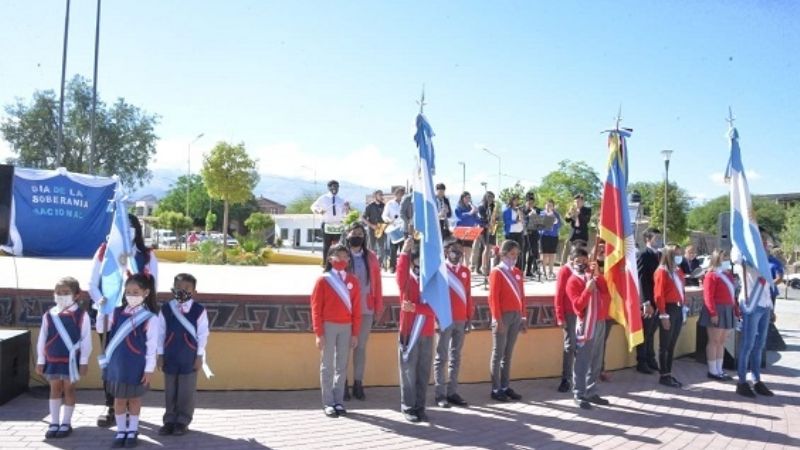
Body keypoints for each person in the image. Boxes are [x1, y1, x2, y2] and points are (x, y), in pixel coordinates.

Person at [88, 214, 158, 428]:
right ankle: (111, 406)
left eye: (130, 227)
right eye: (121, 227)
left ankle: (132, 406)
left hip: (138, 318)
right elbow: (92, 283)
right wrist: (103, 304)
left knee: (134, 361)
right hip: (111, 316)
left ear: (137, 229)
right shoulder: (103, 252)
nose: (126, 231)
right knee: (111, 363)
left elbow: (152, 286)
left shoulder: (146, 256)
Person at [99, 273, 158, 448]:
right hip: (117, 365)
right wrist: (102, 310)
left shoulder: (150, 318)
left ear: (146, 293)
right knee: (118, 399)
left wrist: (149, 369)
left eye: (135, 292)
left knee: (134, 399)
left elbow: (151, 346)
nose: (131, 296)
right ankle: (121, 430)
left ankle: (132, 430)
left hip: (136, 366)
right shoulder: (116, 312)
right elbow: (102, 328)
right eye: (128, 292)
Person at [36, 277, 91, 439]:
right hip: (52, 358)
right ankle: (54, 422)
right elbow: (42, 338)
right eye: (58, 292)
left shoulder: (81, 315)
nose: (61, 295)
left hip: (72, 360)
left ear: (76, 295)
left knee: (69, 389)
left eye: (66, 293)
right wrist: (40, 360)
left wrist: (84, 362)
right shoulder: (49, 315)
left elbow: (86, 339)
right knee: (55, 389)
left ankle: (66, 422)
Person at [310, 244, 361, 417]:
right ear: (330, 259)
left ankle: (338, 401)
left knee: (341, 365)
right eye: (338, 257)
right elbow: (316, 309)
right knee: (327, 365)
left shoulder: (353, 280)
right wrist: (319, 333)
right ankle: (328, 402)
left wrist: (355, 333)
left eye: (346, 257)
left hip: (346, 327)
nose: (342, 260)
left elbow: (356, 309)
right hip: (328, 326)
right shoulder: (323, 280)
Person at [156, 273, 210, 436]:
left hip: (189, 356)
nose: (181, 291)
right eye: (178, 287)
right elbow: (160, 332)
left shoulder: (199, 310)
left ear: (194, 291)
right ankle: (169, 420)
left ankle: (182, 421)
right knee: (170, 390)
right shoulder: (166, 309)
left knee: (186, 390)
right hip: (170, 354)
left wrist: (199, 356)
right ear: (173, 288)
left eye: (186, 288)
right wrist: (160, 354)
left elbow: (203, 334)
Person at [396, 237, 436, 423]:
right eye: (417, 259)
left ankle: (420, 406)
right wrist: (405, 252)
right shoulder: (407, 280)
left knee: (423, 371)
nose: (420, 263)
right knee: (408, 371)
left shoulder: (433, 282)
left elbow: (437, 307)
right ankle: (408, 407)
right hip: (409, 332)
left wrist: (417, 308)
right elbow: (400, 274)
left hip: (427, 332)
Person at [566, 247, 611, 409]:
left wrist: (598, 276)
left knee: (597, 359)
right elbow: (578, 306)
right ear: (572, 262)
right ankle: (579, 392)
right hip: (586, 324)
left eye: (585, 261)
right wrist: (587, 290)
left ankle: (591, 390)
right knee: (583, 359)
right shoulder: (573, 281)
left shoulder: (591, 277)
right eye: (578, 261)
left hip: (599, 321)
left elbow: (606, 294)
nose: (582, 264)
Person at [342, 223, 383, 401]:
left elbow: (378, 284)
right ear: (348, 234)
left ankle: (358, 383)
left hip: (366, 308)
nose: (356, 236)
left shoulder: (372, 257)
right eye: (354, 233)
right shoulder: (341, 256)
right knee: (343, 347)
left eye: (360, 233)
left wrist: (378, 306)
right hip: (344, 308)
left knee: (360, 347)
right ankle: (342, 383)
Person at [734, 235, 776, 398]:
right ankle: (742, 382)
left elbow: (767, 287)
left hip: (764, 305)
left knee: (760, 345)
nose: (767, 247)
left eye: (767, 244)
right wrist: (742, 243)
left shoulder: (765, 263)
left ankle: (756, 380)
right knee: (747, 344)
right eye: (764, 244)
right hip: (752, 304)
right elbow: (736, 258)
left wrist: (771, 308)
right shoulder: (747, 260)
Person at [433, 239, 473, 408]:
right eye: (452, 250)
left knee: (456, 357)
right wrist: (436, 318)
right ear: (446, 251)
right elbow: (434, 296)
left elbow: (469, 295)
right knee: (441, 357)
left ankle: (452, 392)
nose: (456, 253)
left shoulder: (465, 271)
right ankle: (440, 394)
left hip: (460, 319)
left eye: (459, 250)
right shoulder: (441, 271)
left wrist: (469, 318)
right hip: (444, 319)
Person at [488, 239, 527, 402]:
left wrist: (523, 316)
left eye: (517, 254)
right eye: (512, 254)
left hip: (516, 315)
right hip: (502, 316)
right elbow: (493, 298)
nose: (515, 257)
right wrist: (497, 319)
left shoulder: (517, 272)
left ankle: (505, 386)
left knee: (508, 354)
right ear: (503, 254)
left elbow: (522, 295)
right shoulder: (497, 272)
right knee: (498, 354)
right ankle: (495, 388)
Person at [698, 250, 738, 381]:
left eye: (727, 257)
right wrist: (713, 313)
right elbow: (708, 296)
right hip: (717, 309)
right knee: (714, 341)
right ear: (717, 259)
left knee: (721, 341)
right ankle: (712, 370)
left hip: (728, 309)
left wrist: (736, 310)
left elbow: (733, 295)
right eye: (724, 257)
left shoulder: (728, 275)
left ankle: (719, 369)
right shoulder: (711, 275)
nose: (727, 260)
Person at [554, 241, 586, 393]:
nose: (581, 261)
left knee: (582, 346)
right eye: (578, 256)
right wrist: (560, 316)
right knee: (570, 346)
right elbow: (559, 294)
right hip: (570, 313)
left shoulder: (585, 270)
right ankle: (565, 378)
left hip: (584, 313)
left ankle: (579, 377)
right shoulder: (565, 271)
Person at [654, 244, 686, 388]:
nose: (679, 256)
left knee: (672, 344)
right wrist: (663, 314)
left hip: (678, 308)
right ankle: (664, 375)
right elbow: (659, 295)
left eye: (680, 253)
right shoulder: (662, 271)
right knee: (665, 345)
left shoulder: (677, 270)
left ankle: (669, 373)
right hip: (668, 309)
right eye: (676, 254)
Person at [636, 228, 662, 375]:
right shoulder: (643, 254)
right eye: (655, 237)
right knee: (645, 332)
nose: (658, 239)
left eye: (659, 236)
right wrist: (645, 302)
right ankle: (642, 361)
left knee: (652, 331)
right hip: (648, 301)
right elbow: (641, 279)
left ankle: (651, 359)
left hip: (658, 299)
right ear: (648, 239)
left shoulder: (660, 255)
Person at [311, 180, 348, 262]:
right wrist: (319, 211)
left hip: (337, 225)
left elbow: (344, 214)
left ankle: (336, 263)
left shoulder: (341, 200)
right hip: (327, 224)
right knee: (327, 245)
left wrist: (346, 208)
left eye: (337, 187)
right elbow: (313, 207)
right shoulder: (323, 198)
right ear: (329, 188)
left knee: (337, 245)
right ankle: (325, 263)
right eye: (333, 186)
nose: (335, 188)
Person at [473, 191, 498, 275]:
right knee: (486, 248)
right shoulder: (481, 207)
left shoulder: (493, 207)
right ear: (485, 198)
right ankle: (484, 267)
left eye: (492, 197)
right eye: (489, 197)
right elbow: (480, 219)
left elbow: (495, 218)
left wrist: (495, 221)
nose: (491, 199)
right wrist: (486, 224)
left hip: (491, 229)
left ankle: (486, 267)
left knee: (489, 249)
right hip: (483, 229)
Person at [382, 186, 406, 274]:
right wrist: (389, 220)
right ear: (396, 194)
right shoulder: (390, 204)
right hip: (393, 227)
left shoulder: (406, 202)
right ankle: (392, 267)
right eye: (399, 194)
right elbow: (384, 215)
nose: (401, 195)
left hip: (403, 228)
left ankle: (403, 267)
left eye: (402, 194)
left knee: (404, 248)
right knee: (393, 249)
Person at [361, 190, 387, 269]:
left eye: (382, 194)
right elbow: (363, 218)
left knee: (382, 248)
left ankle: (379, 264)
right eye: (380, 194)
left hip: (381, 228)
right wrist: (371, 225)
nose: (382, 196)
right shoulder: (370, 206)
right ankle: (369, 264)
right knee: (371, 248)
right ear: (375, 196)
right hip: (372, 229)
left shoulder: (384, 206)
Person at [454, 191, 480, 265]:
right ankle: (459, 266)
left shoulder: (471, 207)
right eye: (467, 197)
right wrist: (471, 212)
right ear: (462, 198)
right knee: (460, 251)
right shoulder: (458, 207)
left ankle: (467, 268)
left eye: (469, 197)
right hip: (460, 231)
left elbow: (476, 219)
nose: (468, 199)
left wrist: (476, 213)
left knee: (468, 250)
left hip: (470, 231)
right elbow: (460, 216)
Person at [539, 199, 561, 280]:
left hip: (554, 236)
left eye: (551, 205)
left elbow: (559, 225)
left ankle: (551, 271)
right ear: (545, 205)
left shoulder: (556, 214)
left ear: (553, 206)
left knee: (552, 254)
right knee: (545, 254)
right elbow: (539, 226)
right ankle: (544, 272)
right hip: (544, 236)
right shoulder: (541, 214)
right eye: (548, 205)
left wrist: (555, 219)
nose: (549, 207)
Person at [502, 195, 525, 270]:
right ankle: (508, 267)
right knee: (509, 251)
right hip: (511, 233)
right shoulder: (507, 210)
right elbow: (506, 221)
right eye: (515, 200)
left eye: (518, 200)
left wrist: (521, 215)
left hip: (519, 232)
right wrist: (516, 221)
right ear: (511, 201)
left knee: (519, 251)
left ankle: (518, 269)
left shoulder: (519, 210)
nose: (517, 202)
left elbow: (524, 220)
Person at [522, 193, 542, 278]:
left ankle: (529, 271)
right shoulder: (522, 209)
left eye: (532, 202)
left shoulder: (537, 210)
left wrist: (536, 215)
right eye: (529, 202)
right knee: (523, 252)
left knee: (533, 253)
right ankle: (521, 270)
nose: (531, 204)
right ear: (526, 202)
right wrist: (528, 216)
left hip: (534, 234)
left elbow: (541, 221)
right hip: (525, 234)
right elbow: (521, 220)